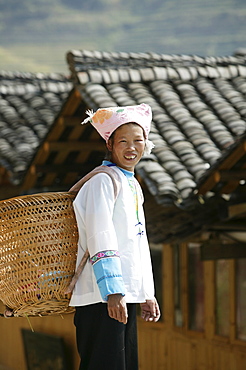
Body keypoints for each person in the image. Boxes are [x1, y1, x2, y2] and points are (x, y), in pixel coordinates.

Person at [69, 103, 161, 370]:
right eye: (123, 141)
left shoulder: (131, 184)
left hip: (124, 295)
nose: (131, 148)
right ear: (109, 144)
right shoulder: (101, 182)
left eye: (138, 140)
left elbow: (138, 242)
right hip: (102, 295)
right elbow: (101, 235)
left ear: (146, 144)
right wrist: (113, 291)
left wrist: (145, 292)